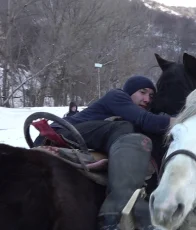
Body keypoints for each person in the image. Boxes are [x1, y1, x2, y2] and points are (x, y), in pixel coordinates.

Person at [35, 75, 171, 230]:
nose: (147, 99)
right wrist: (179, 120)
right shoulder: (117, 96)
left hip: (83, 137)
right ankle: (117, 209)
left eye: (151, 96)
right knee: (124, 128)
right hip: (61, 132)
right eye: (142, 92)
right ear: (129, 92)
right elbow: (146, 120)